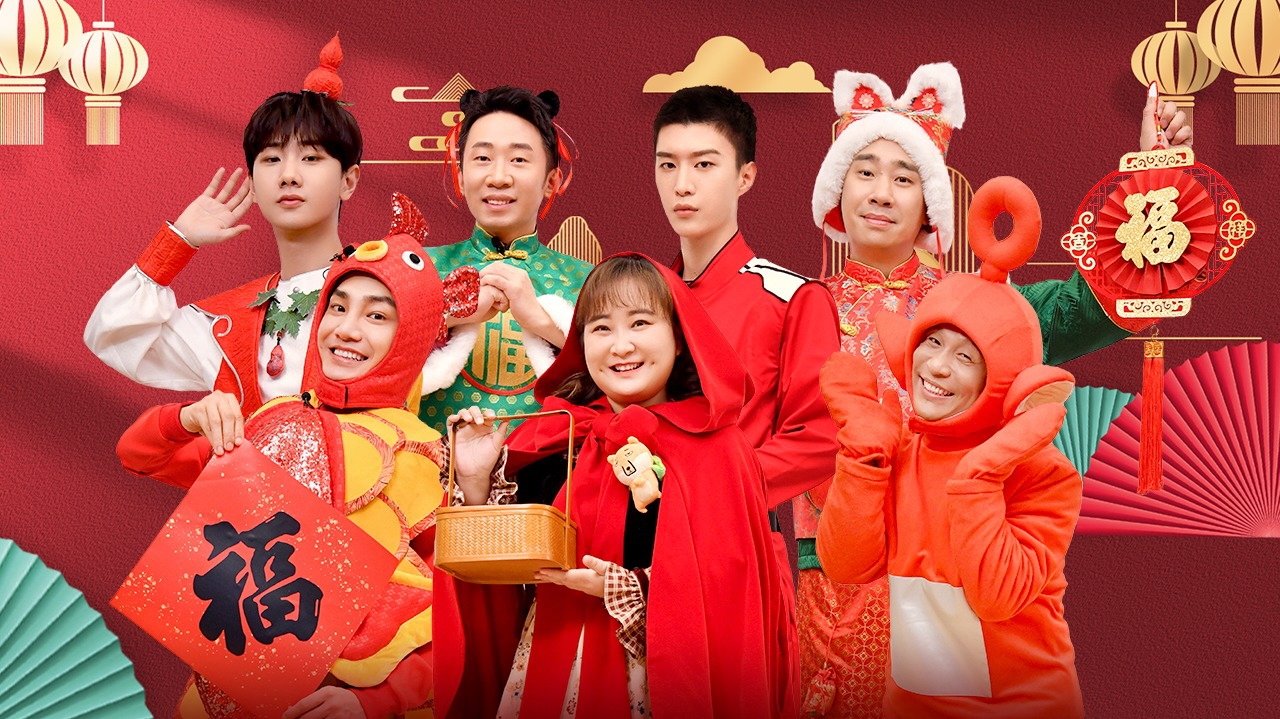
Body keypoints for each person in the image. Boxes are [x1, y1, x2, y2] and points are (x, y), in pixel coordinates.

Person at [797, 63, 1192, 717]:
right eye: (865, 171)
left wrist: (1151, 182)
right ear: (838, 189)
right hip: (831, 576)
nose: (882, 192)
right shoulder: (791, 310)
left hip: (953, 565)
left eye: (904, 177)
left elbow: (1084, 308)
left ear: (931, 201)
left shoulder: (976, 305)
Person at [116, 195, 476, 719]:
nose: (346, 329)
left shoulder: (422, 452)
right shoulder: (274, 417)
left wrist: (374, 701)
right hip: (227, 688)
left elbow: (453, 608)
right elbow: (139, 455)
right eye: (338, 306)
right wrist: (185, 418)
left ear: (411, 336)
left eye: (378, 315)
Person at [431, 254, 793, 719]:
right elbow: (491, 578)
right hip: (548, 663)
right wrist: (475, 478)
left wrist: (626, 588)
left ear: (679, 337)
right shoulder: (554, 435)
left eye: (640, 323)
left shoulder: (719, 449)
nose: (620, 346)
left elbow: (732, 593)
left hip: (659, 679)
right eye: (601, 328)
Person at [817, 177, 1084, 717]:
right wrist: (864, 462)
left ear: (1001, 377)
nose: (937, 367)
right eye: (932, 341)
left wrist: (980, 477)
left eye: (966, 357)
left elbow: (996, 596)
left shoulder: (1042, 472)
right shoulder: (902, 449)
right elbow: (846, 565)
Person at [85, 34, 363, 414]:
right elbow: (113, 337)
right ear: (253, 185)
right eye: (271, 159)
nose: (289, 176)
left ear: (348, 181)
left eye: (311, 158)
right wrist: (177, 242)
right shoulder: (228, 323)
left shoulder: (385, 288)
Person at [419, 85, 593, 426]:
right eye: (483, 159)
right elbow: (363, 357)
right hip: (425, 457)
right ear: (461, 176)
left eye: (519, 160)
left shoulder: (589, 281)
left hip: (557, 460)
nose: (498, 177)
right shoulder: (417, 268)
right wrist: (452, 313)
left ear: (551, 181)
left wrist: (543, 323)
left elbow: (626, 375)